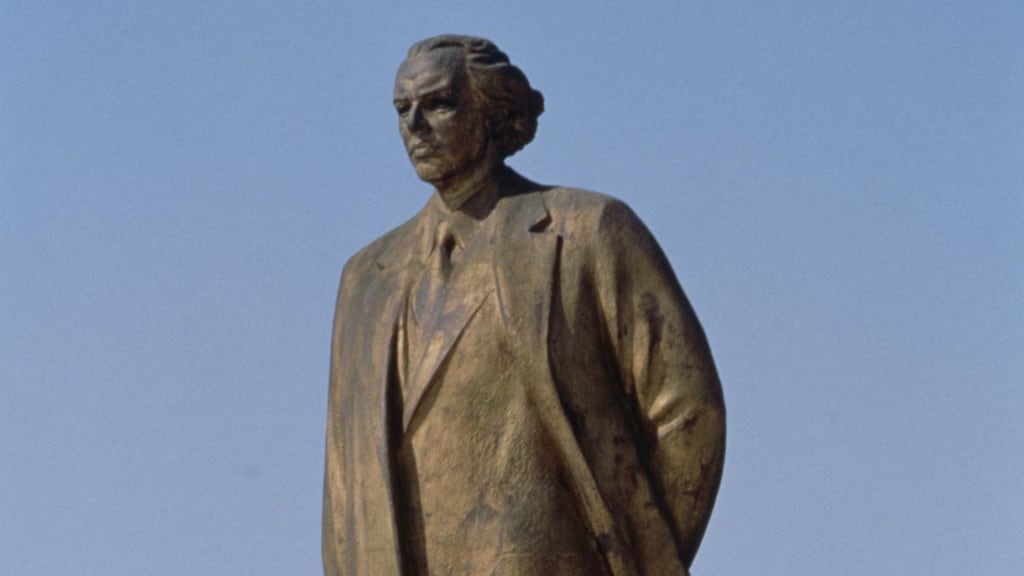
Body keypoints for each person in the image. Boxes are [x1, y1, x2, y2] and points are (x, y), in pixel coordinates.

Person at [323, 34, 725, 576]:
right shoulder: (365, 279)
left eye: (439, 104)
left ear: (493, 113)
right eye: (402, 108)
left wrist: (626, 558)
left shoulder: (587, 230)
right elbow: (344, 480)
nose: (414, 125)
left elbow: (686, 411)